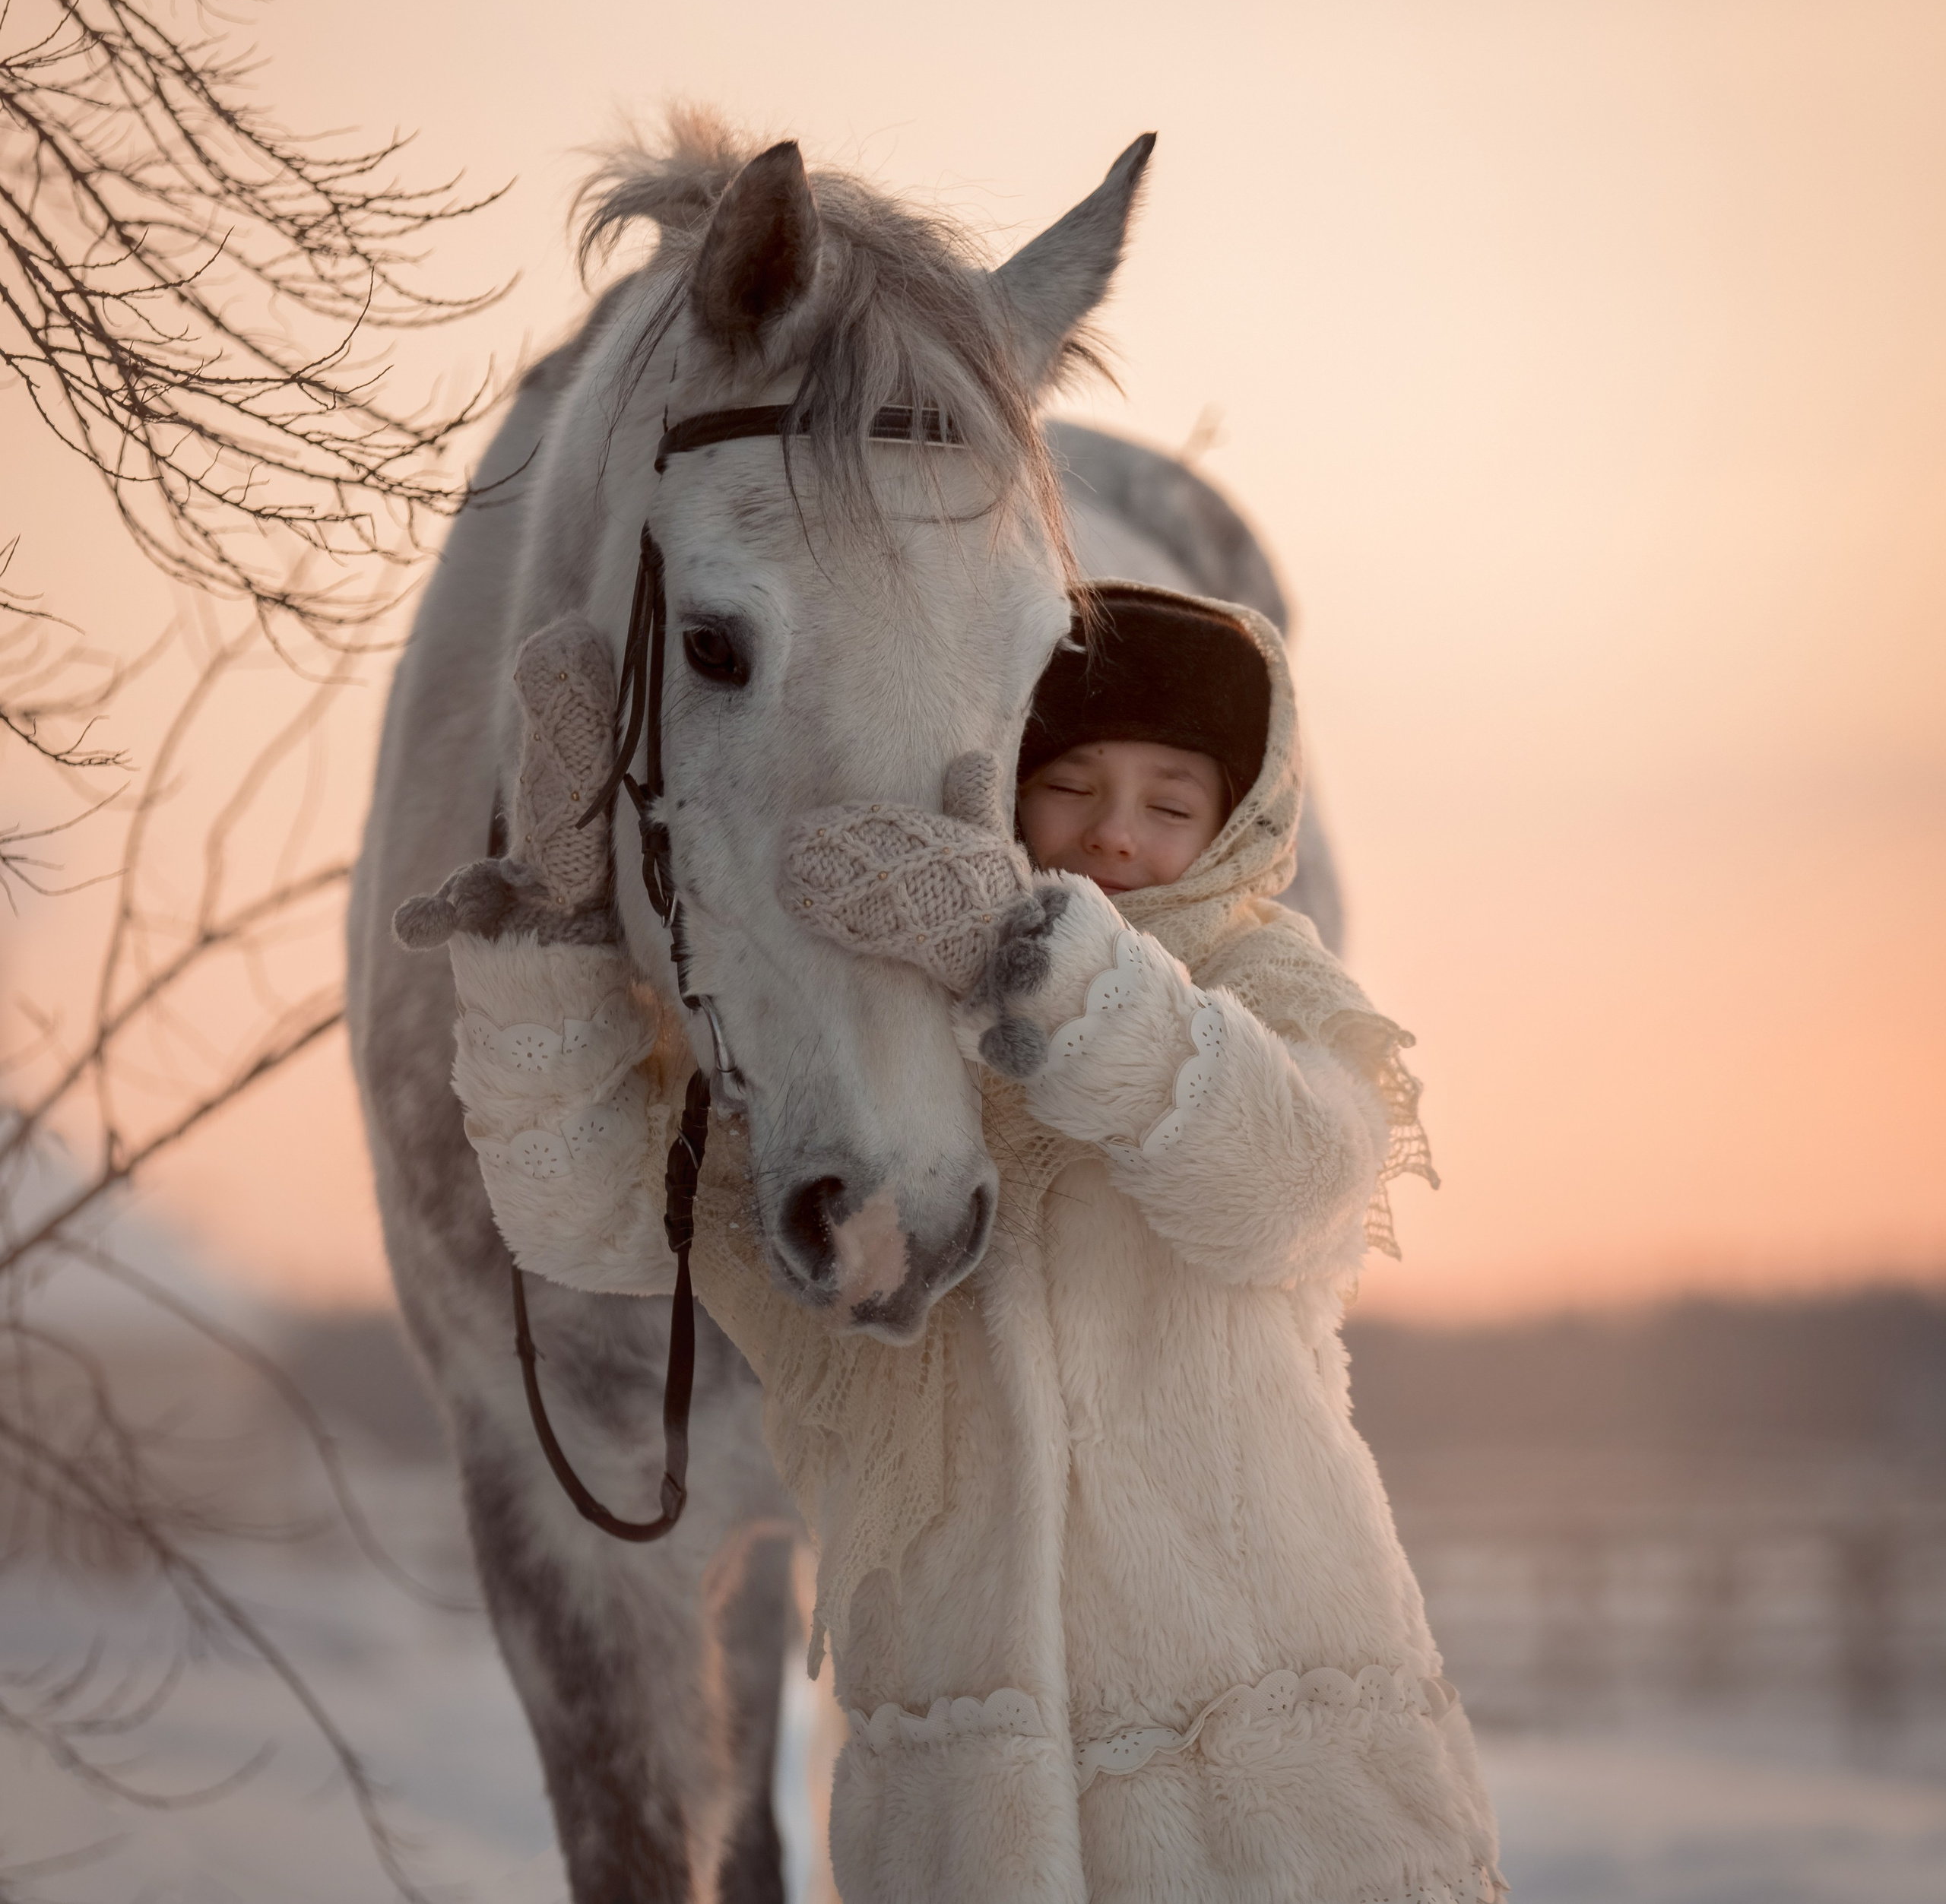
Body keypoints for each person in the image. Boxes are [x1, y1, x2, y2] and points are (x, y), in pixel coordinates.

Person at [403, 582, 1502, 1904]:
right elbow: (591, 1210)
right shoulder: (877, 1064)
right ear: (1000, 788)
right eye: (1074, 787)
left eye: (1169, 803)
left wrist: (1042, 966)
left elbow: (1296, 1182)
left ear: (1233, 823)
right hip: (963, 1807)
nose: (1116, 836)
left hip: (1274, 1781)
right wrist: (557, 930)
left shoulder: (1261, 981)